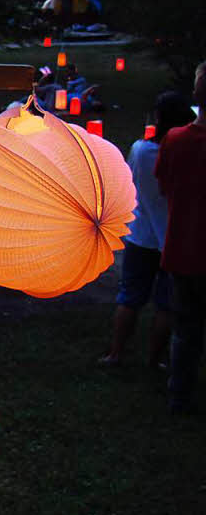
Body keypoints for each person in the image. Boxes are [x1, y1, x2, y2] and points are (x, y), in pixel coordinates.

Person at [100, 92, 195, 370]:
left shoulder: (141, 151)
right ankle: (156, 360)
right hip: (172, 239)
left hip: (140, 236)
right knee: (166, 304)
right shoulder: (185, 152)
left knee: (130, 296)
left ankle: (116, 353)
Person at [155, 62, 206, 413]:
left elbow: (163, 185)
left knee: (185, 329)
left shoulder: (174, 140)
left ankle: (179, 396)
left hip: (182, 250)